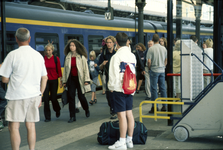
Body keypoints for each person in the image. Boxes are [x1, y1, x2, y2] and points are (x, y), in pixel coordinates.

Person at [0, 27, 48, 150]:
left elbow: (4, 79)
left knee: (14, 127)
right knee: (30, 125)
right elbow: (45, 78)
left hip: (17, 95)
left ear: (16, 39)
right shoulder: (38, 55)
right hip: (34, 95)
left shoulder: (12, 55)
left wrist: (14, 79)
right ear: (29, 39)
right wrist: (40, 95)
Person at [108, 32, 136, 150]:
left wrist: (111, 88)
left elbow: (113, 75)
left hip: (119, 89)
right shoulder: (132, 56)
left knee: (121, 115)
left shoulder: (116, 57)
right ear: (127, 42)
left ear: (116, 43)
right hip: (130, 88)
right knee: (129, 113)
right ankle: (130, 140)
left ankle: (122, 142)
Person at [62, 39, 91, 123]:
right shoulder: (67, 57)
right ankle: (72, 116)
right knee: (71, 97)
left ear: (76, 47)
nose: (71, 47)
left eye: (73, 45)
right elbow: (65, 70)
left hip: (80, 79)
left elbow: (86, 69)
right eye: (70, 45)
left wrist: (86, 80)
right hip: (71, 79)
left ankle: (86, 109)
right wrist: (64, 81)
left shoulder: (81, 57)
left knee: (81, 96)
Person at [98, 36, 117, 119]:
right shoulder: (104, 53)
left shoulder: (116, 53)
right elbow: (99, 67)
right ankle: (112, 107)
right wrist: (103, 64)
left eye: (110, 42)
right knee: (109, 95)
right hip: (108, 76)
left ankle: (114, 111)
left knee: (115, 94)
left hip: (116, 77)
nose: (108, 44)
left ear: (113, 43)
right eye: (107, 42)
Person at [147, 34, 167, 113]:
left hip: (154, 70)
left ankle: (154, 107)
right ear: (159, 40)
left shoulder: (151, 49)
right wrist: (163, 67)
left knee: (154, 89)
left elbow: (149, 61)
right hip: (162, 70)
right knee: (162, 88)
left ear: (152, 40)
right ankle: (164, 106)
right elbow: (166, 60)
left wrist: (149, 68)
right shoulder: (164, 48)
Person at [43, 43, 62, 122]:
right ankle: (47, 117)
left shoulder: (56, 58)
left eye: (49, 50)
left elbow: (59, 70)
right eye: (46, 50)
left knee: (53, 98)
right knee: (46, 99)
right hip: (46, 81)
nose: (47, 52)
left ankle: (57, 109)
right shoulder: (43, 59)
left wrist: (61, 80)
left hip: (54, 80)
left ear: (52, 50)